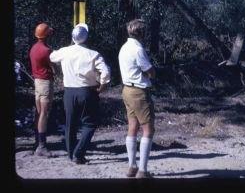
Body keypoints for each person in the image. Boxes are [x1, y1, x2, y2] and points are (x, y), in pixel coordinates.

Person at [50, 23, 110, 164]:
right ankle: (79, 153)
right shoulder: (94, 54)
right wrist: (102, 85)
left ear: (72, 37)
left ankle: (71, 154)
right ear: (87, 37)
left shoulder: (65, 52)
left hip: (69, 91)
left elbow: (52, 57)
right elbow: (106, 72)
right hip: (87, 91)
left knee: (70, 124)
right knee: (89, 124)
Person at [118, 19, 156, 179]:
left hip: (126, 89)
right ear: (141, 33)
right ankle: (143, 170)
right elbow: (149, 70)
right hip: (139, 92)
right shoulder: (138, 49)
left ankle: (132, 166)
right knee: (148, 129)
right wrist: (153, 72)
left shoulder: (124, 47)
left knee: (132, 126)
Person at [29, 23, 54, 157]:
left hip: (37, 82)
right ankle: (42, 146)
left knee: (39, 113)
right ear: (47, 34)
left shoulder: (33, 48)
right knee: (44, 113)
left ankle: (37, 142)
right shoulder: (47, 50)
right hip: (45, 83)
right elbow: (54, 68)